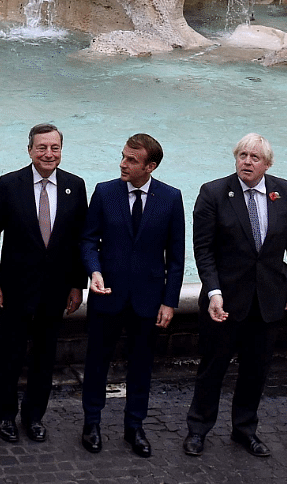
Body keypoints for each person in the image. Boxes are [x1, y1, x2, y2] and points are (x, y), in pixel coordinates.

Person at [182, 133, 287, 458]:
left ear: (267, 163)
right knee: (212, 369)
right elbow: (203, 251)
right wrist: (214, 292)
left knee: (256, 370)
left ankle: (245, 429)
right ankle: (198, 429)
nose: (247, 162)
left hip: (268, 301)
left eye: (254, 157)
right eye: (242, 155)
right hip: (224, 302)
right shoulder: (213, 193)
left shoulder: (286, 191)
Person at [80, 134, 184, 458]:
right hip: (107, 294)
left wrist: (170, 301)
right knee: (96, 363)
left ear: (150, 166)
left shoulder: (171, 198)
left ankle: (134, 427)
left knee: (141, 367)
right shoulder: (104, 192)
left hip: (147, 299)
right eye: (123, 156)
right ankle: (91, 424)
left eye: (132, 160)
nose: (123, 164)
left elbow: (177, 257)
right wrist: (94, 271)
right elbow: (88, 241)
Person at [0, 123, 88, 444]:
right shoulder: (8, 184)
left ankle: (34, 417)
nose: (48, 154)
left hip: (55, 291)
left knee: (45, 358)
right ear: (29, 149)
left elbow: (79, 240)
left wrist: (77, 284)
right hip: (15, 288)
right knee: (10, 356)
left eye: (54, 148)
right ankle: (5, 416)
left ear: (61, 150)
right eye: (42, 147)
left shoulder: (76, 185)